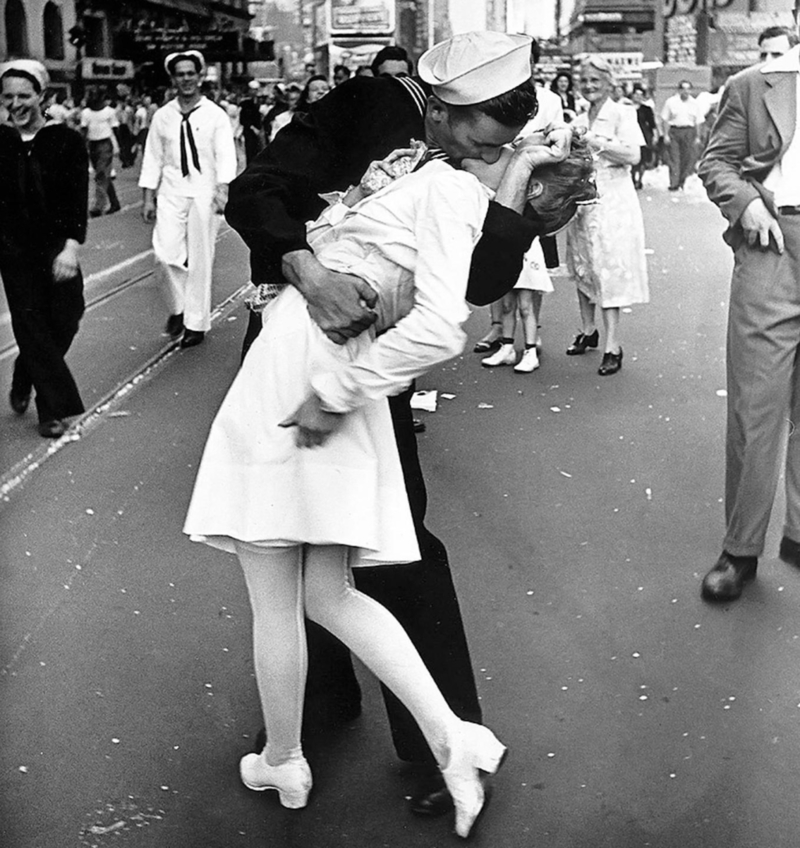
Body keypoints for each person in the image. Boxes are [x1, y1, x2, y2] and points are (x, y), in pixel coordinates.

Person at [185, 34, 556, 838]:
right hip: (307, 331)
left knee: (385, 544)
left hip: (367, 363)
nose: (471, 153)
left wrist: (523, 214)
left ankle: (430, 742)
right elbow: (257, 191)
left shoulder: (470, 167)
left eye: (493, 148)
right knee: (314, 553)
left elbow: (471, 285)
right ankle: (321, 712)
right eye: (469, 136)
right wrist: (309, 274)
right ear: (446, 105)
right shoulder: (370, 106)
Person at [697, 37, 800, 602]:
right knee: (755, 407)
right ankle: (740, 549)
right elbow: (715, 162)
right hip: (775, 245)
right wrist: (746, 202)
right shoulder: (756, 84)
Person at [0, 60, 88, 438]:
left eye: (24, 95)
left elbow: (75, 198)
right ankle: (51, 410)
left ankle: (25, 370)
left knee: (67, 316)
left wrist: (70, 248)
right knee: (31, 324)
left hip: (55, 246)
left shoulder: (65, 141)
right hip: (12, 250)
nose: (16, 103)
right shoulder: (0, 142)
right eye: (8, 97)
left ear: (42, 97)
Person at [138, 50, 237, 349]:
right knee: (165, 254)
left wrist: (223, 191)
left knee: (201, 259)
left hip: (205, 193)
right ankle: (178, 309)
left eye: (190, 73)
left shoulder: (215, 115)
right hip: (170, 191)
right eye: (180, 74)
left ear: (199, 76)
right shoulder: (162, 116)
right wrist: (147, 198)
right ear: (173, 79)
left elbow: (225, 155)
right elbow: (153, 158)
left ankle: (196, 323)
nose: (186, 79)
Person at [478, 135, 597, 373]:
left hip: (525, 257)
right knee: (508, 304)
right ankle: (507, 346)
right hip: (506, 253)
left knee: (525, 305)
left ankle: (530, 349)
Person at [565, 55, 649, 376]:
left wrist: (592, 140)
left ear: (610, 83)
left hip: (613, 198)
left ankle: (613, 345)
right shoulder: (579, 116)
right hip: (582, 199)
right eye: (584, 80)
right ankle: (589, 330)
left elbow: (633, 154)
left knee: (608, 268)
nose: (588, 86)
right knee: (583, 265)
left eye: (595, 81)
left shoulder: (623, 113)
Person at [80, 88, 121, 216]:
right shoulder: (86, 113)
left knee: (101, 174)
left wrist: (118, 146)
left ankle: (98, 206)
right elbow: (84, 130)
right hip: (93, 144)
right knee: (102, 175)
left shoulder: (109, 112)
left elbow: (116, 129)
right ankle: (114, 203)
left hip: (105, 144)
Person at [661, 80, 699, 191]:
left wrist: (697, 137)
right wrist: (665, 135)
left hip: (689, 132)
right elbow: (665, 119)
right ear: (679, 90)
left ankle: (682, 181)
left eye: (688, 89)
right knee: (674, 158)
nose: (686, 91)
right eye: (683, 89)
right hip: (675, 132)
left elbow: (698, 121)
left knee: (686, 158)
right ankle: (674, 183)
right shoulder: (671, 102)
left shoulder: (694, 103)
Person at [630, 84, 656, 189]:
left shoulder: (646, 109)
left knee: (642, 158)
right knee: (632, 158)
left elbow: (652, 123)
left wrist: (654, 136)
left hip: (644, 135)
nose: (638, 97)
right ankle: (632, 178)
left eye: (640, 95)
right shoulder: (627, 108)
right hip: (630, 135)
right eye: (636, 94)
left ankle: (640, 179)